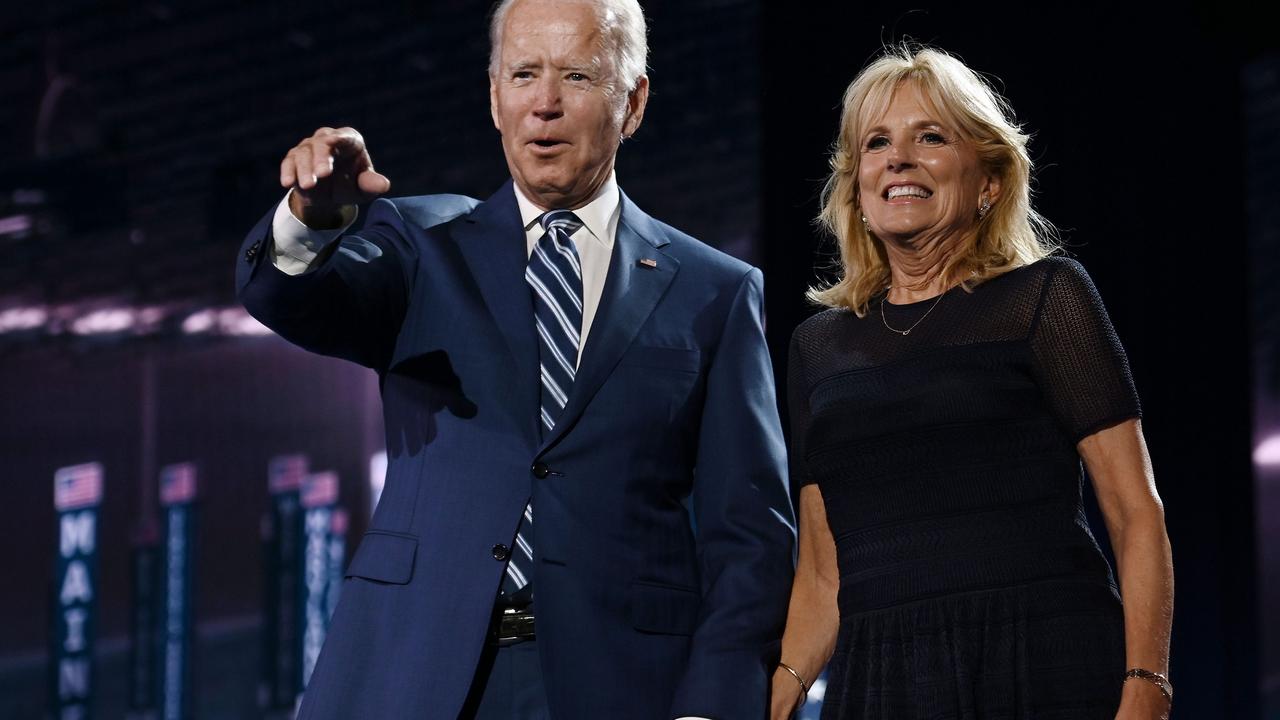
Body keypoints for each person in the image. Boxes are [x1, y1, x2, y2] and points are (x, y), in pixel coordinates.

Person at [235, 1, 796, 718]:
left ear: (635, 100)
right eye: (523, 74)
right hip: (414, 672)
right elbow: (289, 299)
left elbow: (748, 537)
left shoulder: (715, 291)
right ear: (494, 98)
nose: (545, 104)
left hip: (620, 684)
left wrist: (710, 706)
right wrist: (313, 218)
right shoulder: (419, 245)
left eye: (577, 76)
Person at [771, 46, 1174, 720]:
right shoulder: (818, 347)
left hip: (1046, 658)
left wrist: (1146, 686)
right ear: (858, 188)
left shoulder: (1045, 298)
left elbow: (1135, 512)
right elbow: (821, 571)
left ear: (988, 179)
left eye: (930, 136)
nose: (899, 157)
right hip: (886, 680)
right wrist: (775, 698)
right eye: (877, 143)